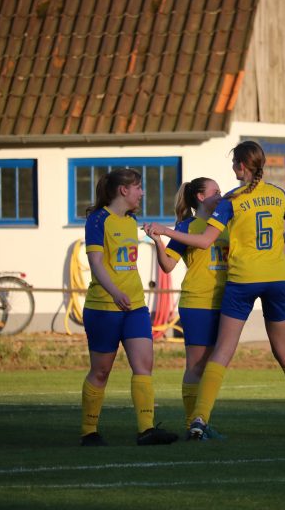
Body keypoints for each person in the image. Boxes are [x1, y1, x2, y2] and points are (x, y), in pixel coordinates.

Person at [144, 140, 285, 440]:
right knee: (284, 350)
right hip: (275, 279)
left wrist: (163, 231)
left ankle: (199, 420)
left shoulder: (231, 201)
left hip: (242, 280)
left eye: (232, 164)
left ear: (241, 166)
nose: (231, 170)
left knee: (222, 352)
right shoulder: (278, 194)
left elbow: (205, 241)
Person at [80, 169, 179, 446]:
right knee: (101, 371)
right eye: (138, 187)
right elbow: (96, 263)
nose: (142, 193)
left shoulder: (131, 221)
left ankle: (146, 429)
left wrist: (156, 238)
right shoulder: (97, 220)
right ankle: (89, 431)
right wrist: (114, 293)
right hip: (104, 307)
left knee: (144, 365)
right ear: (123, 190)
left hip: (135, 307)